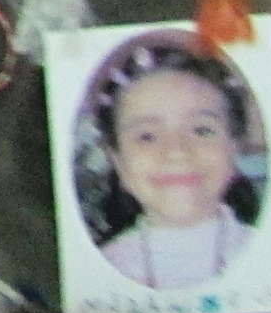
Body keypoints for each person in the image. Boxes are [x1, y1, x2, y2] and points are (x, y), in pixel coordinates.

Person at [88, 42, 262, 291]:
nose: (176, 152)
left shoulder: (268, 254)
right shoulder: (100, 271)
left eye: (201, 130)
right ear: (117, 160)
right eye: (147, 136)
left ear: (234, 147)